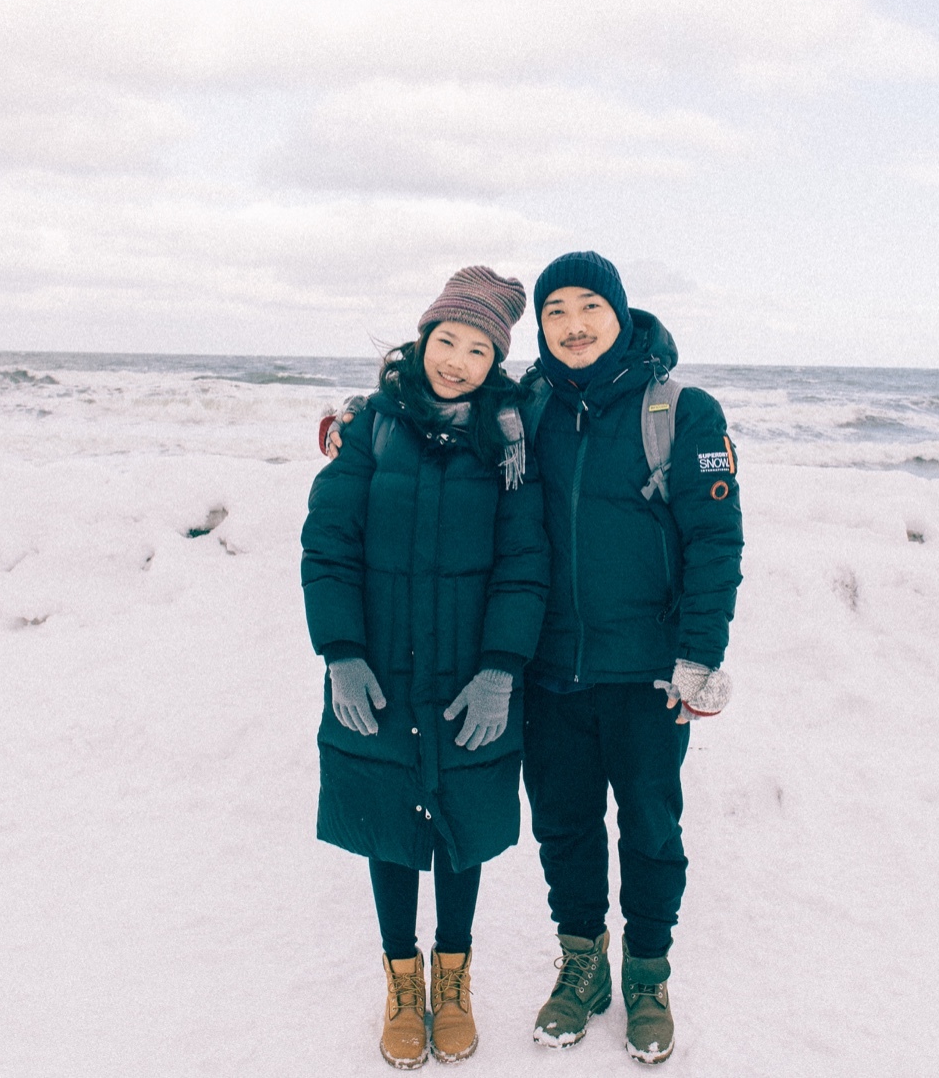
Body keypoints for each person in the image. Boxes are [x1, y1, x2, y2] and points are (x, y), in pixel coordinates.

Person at [325, 251, 743, 1065]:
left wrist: (701, 653)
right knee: (564, 824)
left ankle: (648, 974)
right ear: (540, 329)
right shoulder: (529, 408)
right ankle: (582, 962)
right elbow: (433, 409)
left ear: (620, 315)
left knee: (652, 827)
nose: (574, 324)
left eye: (590, 307)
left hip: (648, 670)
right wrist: (352, 416)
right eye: (556, 311)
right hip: (549, 669)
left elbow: (715, 541)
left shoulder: (681, 411)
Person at [301, 265, 549, 1069]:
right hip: (380, 671)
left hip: (469, 675)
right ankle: (402, 980)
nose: (457, 360)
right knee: (387, 819)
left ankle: (454, 975)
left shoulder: (509, 441)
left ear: (495, 361)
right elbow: (329, 543)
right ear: (423, 337)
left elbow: (524, 561)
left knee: (462, 829)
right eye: (447, 339)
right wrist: (340, 651)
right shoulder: (372, 425)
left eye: (479, 349)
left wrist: (502, 667)